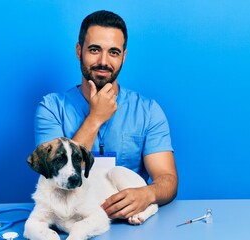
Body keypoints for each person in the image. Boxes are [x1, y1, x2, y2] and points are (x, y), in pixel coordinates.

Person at [34, 10, 178, 221]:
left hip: (131, 225)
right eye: (94, 50)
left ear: (124, 56)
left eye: (113, 52)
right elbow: (53, 176)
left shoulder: (148, 111)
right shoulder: (51, 108)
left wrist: (147, 194)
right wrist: (95, 118)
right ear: (78, 51)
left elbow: (168, 179)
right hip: (71, 220)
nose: (104, 61)